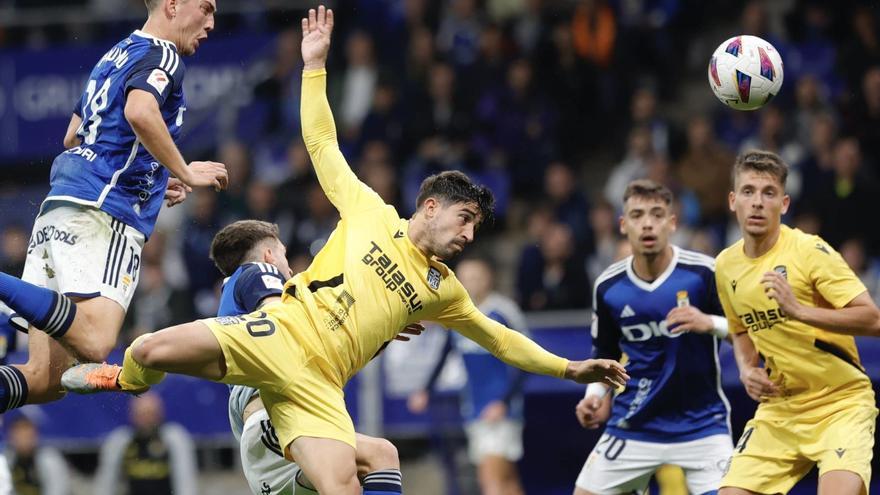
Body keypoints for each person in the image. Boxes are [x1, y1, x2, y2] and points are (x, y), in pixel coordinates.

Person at [61, 7, 629, 495]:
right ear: (430, 207)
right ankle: (123, 379)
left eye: (476, 228)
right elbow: (320, 141)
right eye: (465, 220)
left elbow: (500, 339)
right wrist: (314, 67)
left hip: (319, 386)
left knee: (348, 479)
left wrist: (569, 366)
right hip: (279, 334)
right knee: (150, 349)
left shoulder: (443, 291)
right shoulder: (369, 211)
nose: (469, 237)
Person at [0, 0, 228, 413]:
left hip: (61, 205)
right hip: (102, 215)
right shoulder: (164, 54)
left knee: (45, 379)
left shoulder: (118, 52)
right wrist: (186, 171)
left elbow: (75, 135)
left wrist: (156, 176)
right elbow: (139, 112)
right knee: (96, 341)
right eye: (206, 8)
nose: (211, 23)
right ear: (173, 6)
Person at [715, 150, 880, 495]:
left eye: (768, 193)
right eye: (748, 192)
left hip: (841, 402)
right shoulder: (725, 265)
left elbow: (872, 318)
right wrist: (746, 368)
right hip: (781, 408)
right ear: (733, 201)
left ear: (784, 203)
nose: (757, 203)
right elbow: (739, 328)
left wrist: (800, 310)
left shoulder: (809, 251)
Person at [211, 219, 417, 494]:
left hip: (265, 433)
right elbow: (282, 324)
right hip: (278, 421)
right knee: (380, 456)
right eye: (284, 254)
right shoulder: (258, 271)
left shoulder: (236, 295)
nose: (290, 267)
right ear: (269, 255)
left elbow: (325, 354)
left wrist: (379, 332)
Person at [573, 179, 733, 495]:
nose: (647, 223)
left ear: (672, 223)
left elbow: (742, 329)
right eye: (637, 215)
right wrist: (593, 396)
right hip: (635, 424)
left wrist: (709, 322)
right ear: (623, 225)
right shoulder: (608, 287)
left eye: (657, 214)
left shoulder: (704, 273)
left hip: (701, 425)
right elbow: (604, 355)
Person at [408, 256, 527, 495]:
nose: (472, 283)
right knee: (507, 479)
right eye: (466, 278)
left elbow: (525, 361)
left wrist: (502, 402)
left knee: (490, 479)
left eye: (477, 277)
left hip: (499, 409)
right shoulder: (458, 315)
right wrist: (425, 390)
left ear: (489, 278)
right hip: (473, 407)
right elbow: (445, 353)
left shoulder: (502, 312)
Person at [95, 392, 197, 495]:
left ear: (160, 414)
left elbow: (185, 479)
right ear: (132, 415)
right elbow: (107, 479)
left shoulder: (174, 438)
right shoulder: (120, 441)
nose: (147, 419)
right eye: (142, 414)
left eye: (151, 413)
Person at [5, 415, 70, 495]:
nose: (24, 440)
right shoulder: (6, 460)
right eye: (19, 435)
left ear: (35, 435)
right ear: (11, 437)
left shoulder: (49, 458)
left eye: (27, 436)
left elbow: (59, 489)